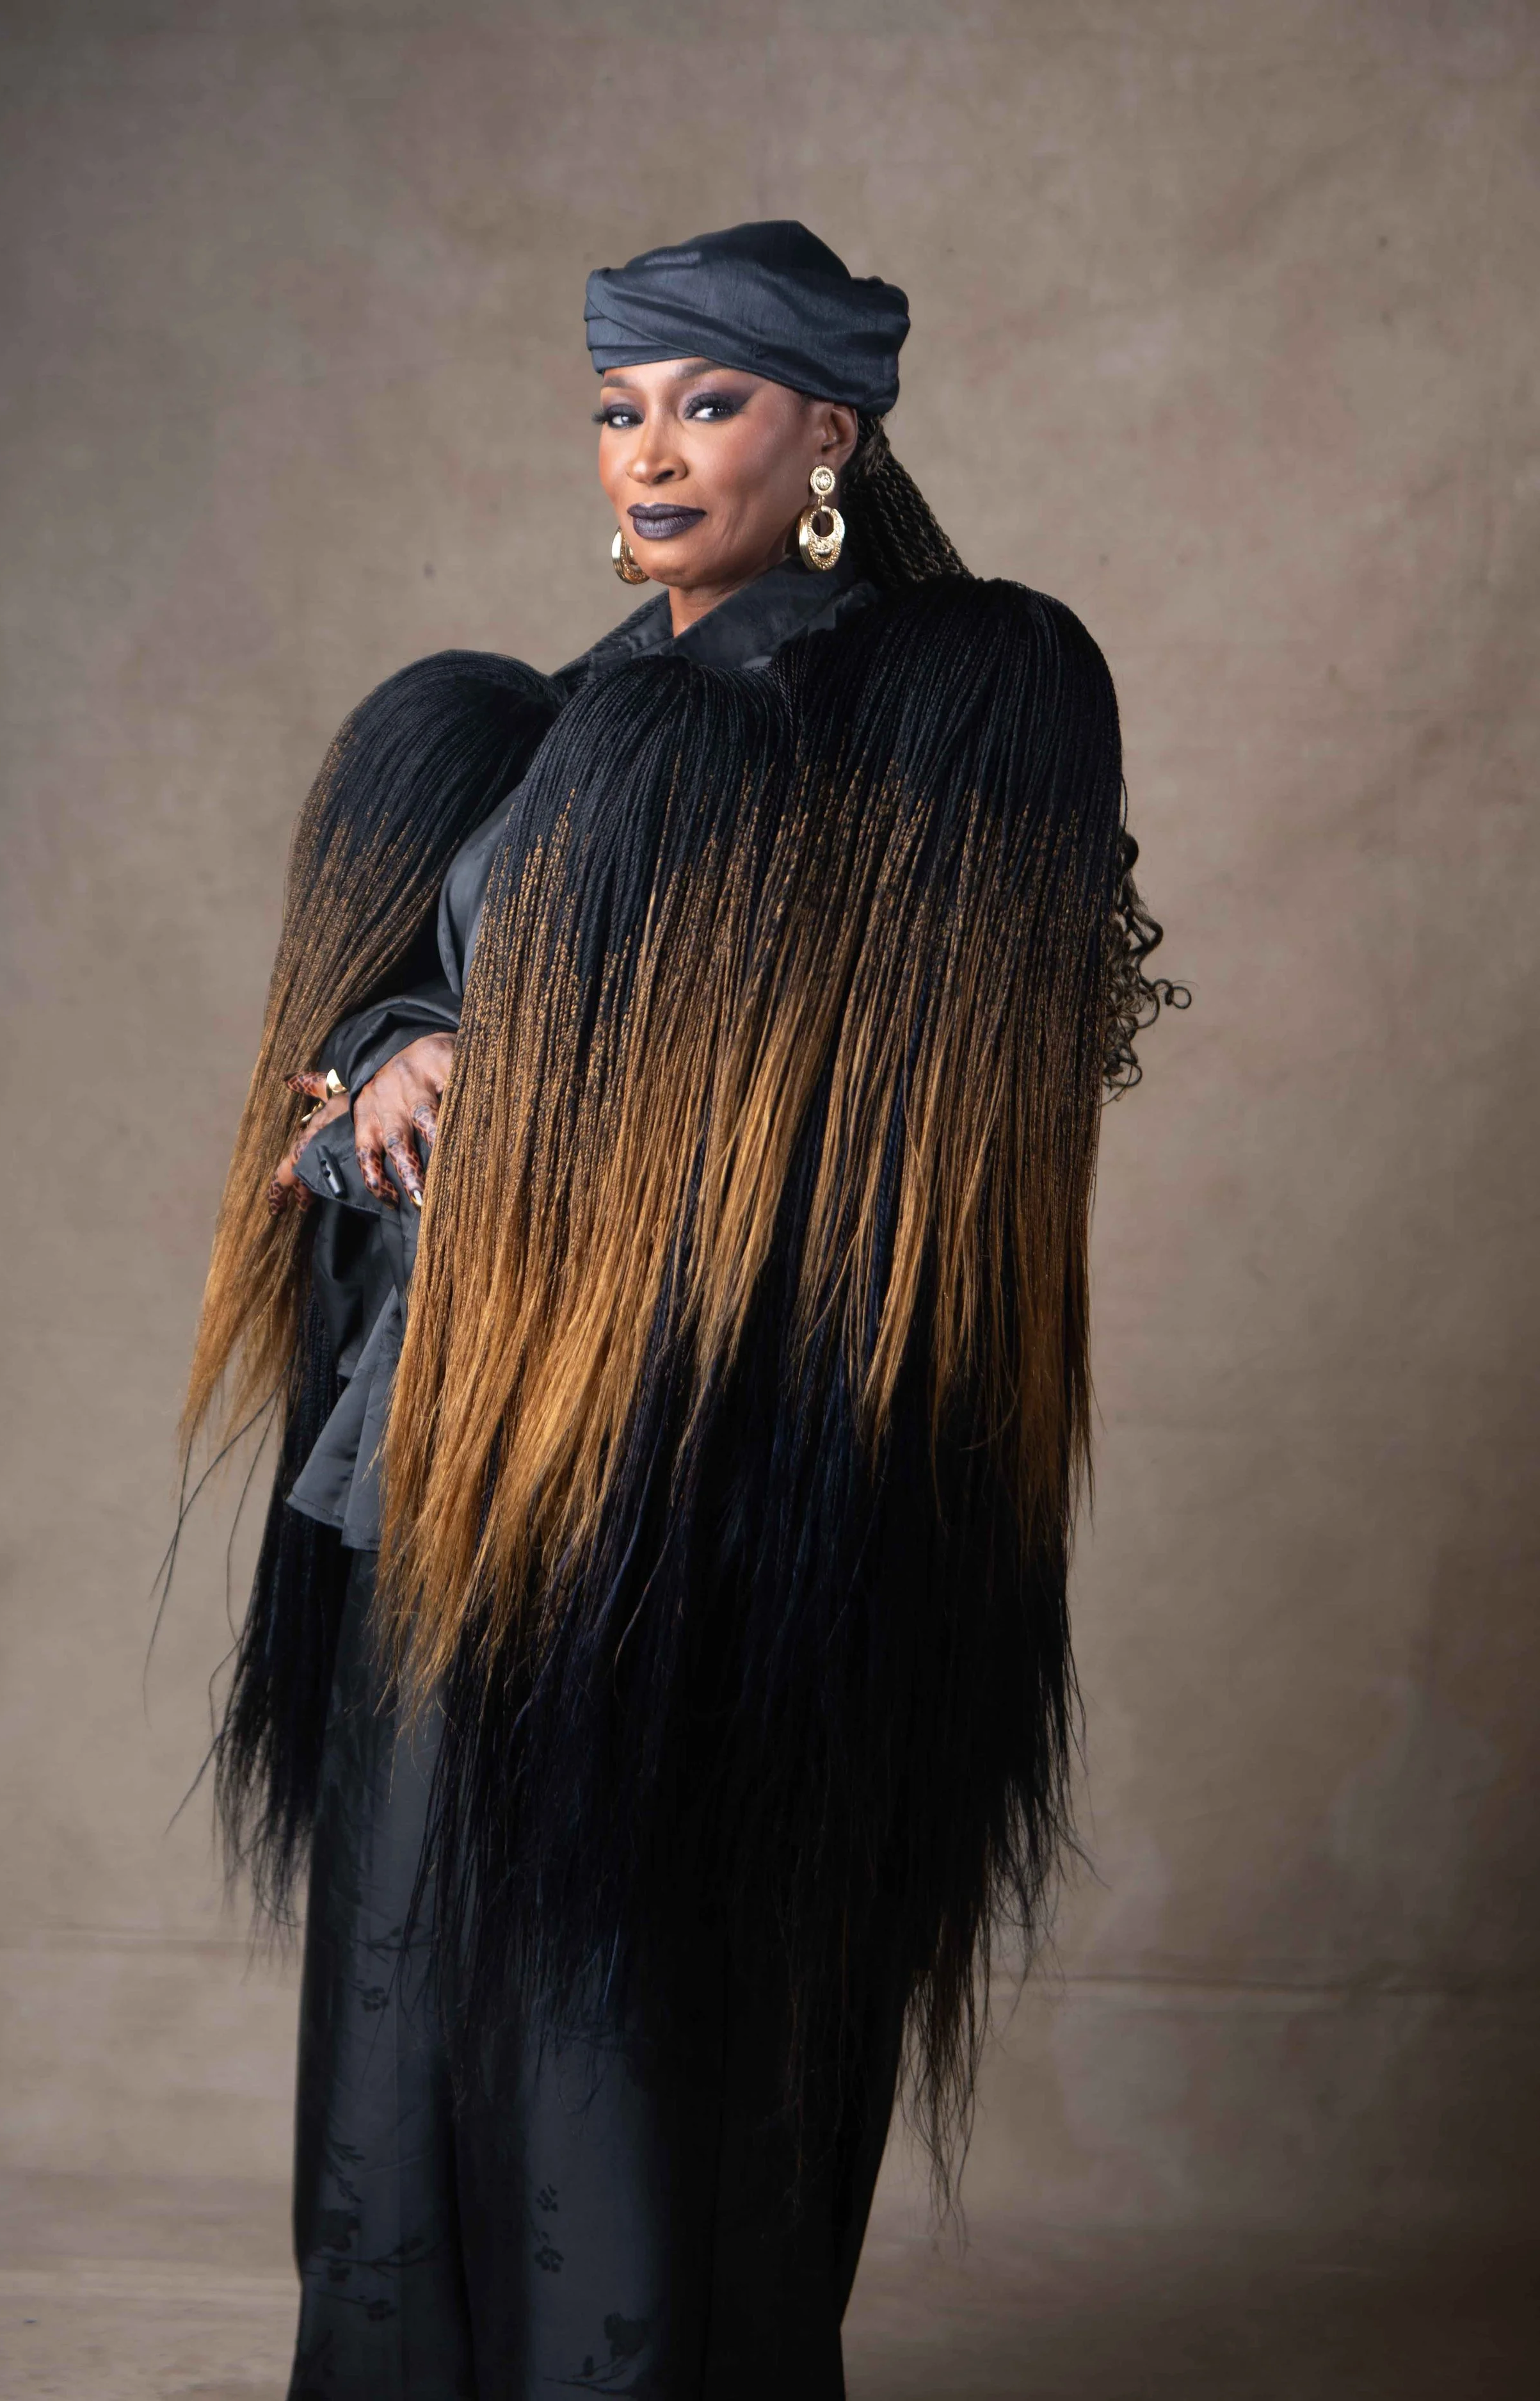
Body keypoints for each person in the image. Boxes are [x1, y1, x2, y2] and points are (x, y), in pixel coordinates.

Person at [182, 221, 1180, 2400]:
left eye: (706, 402)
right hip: (441, 1445)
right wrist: (391, 1061)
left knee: (619, 2022)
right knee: (407, 1993)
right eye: (618, 407)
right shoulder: (565, 718)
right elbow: (431, 1008)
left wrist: (528, 1085)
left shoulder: (920, 706)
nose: (648, 451)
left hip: (685, 1480)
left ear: (830, 428)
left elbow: (864, 1098)